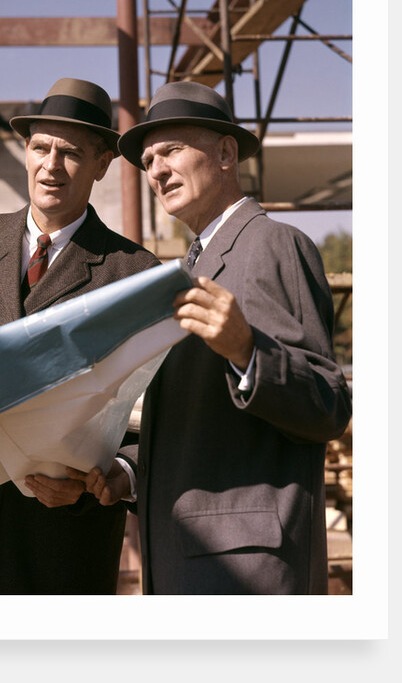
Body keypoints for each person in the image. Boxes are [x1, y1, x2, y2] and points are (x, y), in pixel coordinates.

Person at [70, 80, 352, 595]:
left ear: (225, 152)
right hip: (184, 556)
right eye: (148, 160)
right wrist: (128, 472)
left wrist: (248, 350)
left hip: (249, 572)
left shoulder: (274, 245)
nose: (156, 170)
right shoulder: (188, 268)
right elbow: (193, 422)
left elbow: (329, 405)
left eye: (171, 150)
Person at [0, 77, 159, 595]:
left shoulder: (134, 274)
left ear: (103, 164)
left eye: (70, 153)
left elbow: (156, 412)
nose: (51, 165)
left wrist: (108, 478)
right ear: (24, 151)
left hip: (62, 545)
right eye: (40, 147)